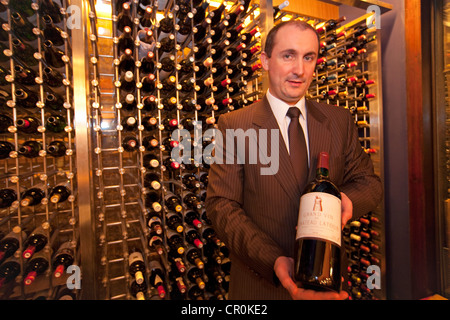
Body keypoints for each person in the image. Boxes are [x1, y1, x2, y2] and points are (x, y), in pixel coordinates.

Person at [205, 20, 382, 300]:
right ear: (265, 60)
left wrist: (345, 201)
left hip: (329, 281)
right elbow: (221, 205)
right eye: (288, 55)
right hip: (262, 287)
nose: (299, 69)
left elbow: (369, 184)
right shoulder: (234, 124)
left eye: (308, 57)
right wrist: (274, 260)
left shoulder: (338, 121)